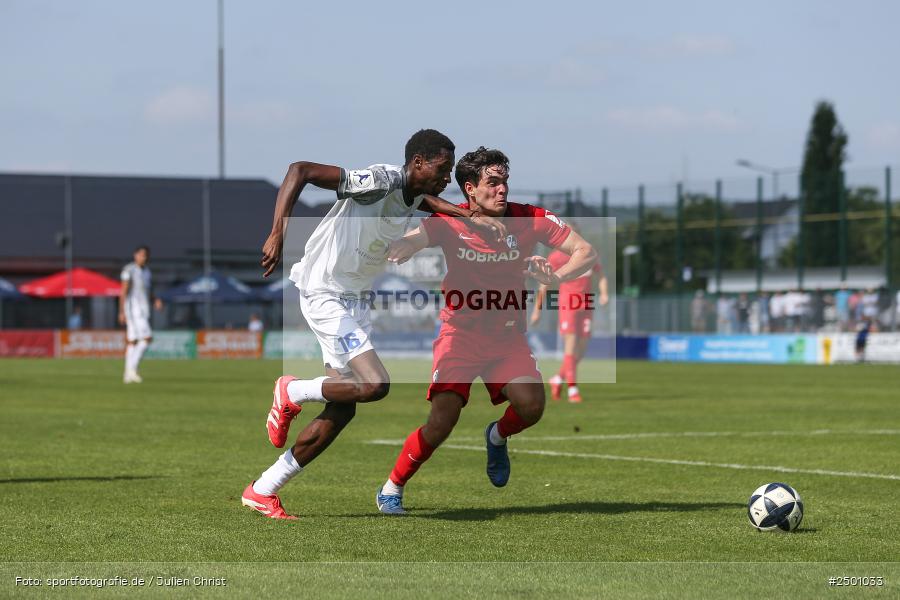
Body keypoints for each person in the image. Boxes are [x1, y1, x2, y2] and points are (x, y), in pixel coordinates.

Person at [241, 130, 508, 520]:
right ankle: (292, 390)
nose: (447, 179)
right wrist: (277, 231)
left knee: (343, 408)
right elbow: (300, 170)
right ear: (418, 162)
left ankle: (262, 490)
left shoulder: (414, 191)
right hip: (325, 291)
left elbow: (423, 199)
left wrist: (464, 214)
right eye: (442, 169)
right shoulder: (380, 180)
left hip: (353, 298)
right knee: (376, 384)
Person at [374, 147, 597, 515]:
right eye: (492, 183)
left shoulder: (532, 218)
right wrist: (405, 246)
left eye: (504, 181)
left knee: (531, 406)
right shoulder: (452, 220)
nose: (502, 189)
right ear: (470, 190)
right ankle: (392, 487)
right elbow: (417, 237)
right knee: (442, 422)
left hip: (507, 338)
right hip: (459, 335)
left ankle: (496, 436)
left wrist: (555, 277)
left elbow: (584, 251)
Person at [530, 242, 607, 403]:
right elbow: (544, 283)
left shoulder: (588, 253)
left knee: (581, 350)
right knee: (570, 347)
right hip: (568, 304)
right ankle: (573, 389)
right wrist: (537, 310)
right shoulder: (557, 256)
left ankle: (557, 378)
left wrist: (604, 293)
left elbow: (601, 276)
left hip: (586, 305)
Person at [119, 246, 162, 383]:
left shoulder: (147, 272)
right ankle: (132, 369)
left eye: (146, 255)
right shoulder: (129, 270)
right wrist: (121, 311)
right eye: (141, 255)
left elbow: (148, 290)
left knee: (132, 342)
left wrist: (155, 300)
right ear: (135, 255)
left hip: (144, 309)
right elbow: (123, 291)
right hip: (133, 310)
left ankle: (127, 374)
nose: (144, 258)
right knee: (147, 338)